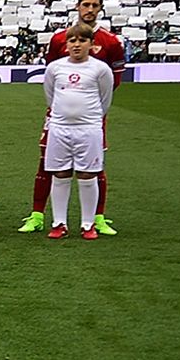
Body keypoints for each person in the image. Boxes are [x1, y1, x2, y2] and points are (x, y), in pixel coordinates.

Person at [23, 0, 125, 235]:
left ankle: (95, 219)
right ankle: (40, 216)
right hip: (59, 118)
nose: (89, 9)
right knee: (49, 163)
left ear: (100, 8)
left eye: (94, 5)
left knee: (93, 167)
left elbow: (111, 86)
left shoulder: (110, 42)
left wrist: (93, 111)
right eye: (85, 4)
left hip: (89, 118)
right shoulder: (59, 39)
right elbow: (51, 86)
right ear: (78, 6)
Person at [40, 25, 115, 241]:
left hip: (89, 129)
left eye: (82, 40)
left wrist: (88, 117)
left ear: (91, 44)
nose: (76, 45)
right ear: (66, 44)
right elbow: (50, 96)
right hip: (60, 128)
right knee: (60, 173)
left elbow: (105, 99)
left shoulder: (100, 69)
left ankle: (87, 224)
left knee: (87, 174)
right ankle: (59, 223)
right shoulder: (55, 68)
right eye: (72, 41)